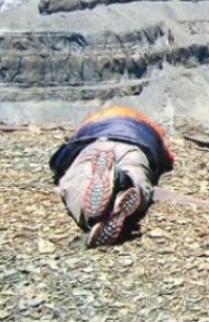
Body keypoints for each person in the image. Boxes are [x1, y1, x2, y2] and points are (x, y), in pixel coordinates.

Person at [50, 106, 175, 248]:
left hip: (94, 143)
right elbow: (167, 158)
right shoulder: (149, 126)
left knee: (77, 179)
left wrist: (61, 164)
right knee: (137, 174)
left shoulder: (88, 124)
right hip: (137, 143)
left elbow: (58, 159)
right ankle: (126, 182)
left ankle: (91, 216)